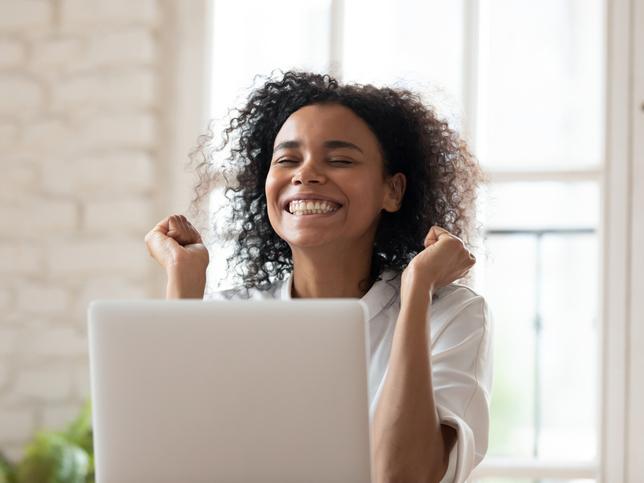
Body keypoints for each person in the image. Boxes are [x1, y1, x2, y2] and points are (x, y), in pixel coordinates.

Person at [144, 71, 493, 483]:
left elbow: (402, 476)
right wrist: (183, 289)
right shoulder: (227, 315)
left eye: (340, 160)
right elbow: (166, 465)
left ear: (393, 191)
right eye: (287, 159)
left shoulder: (451, 315)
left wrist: (416, 290)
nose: (305, 174)